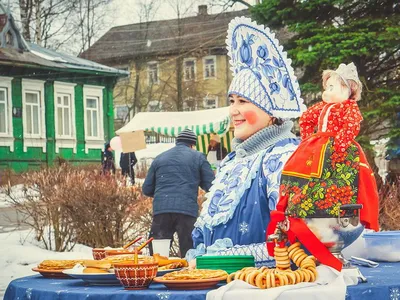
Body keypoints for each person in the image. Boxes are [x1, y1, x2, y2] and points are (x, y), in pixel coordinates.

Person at [186, 17, 306, 266]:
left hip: (263, 285)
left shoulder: (283, 156)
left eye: (243, 102)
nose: (233, 111)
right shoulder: (233, 159)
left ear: (271, 111)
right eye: (232, 101)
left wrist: (226, 259)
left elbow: (292, 238)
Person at [142, 128, 215, 258]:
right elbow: (211, 185)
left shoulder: (160, 158)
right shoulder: (198, 157)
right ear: (192, 145)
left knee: (158, 255)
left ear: (177, 142)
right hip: (187, 210)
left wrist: (164, 195)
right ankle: (187, 275)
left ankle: (158, 276)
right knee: (189, 253)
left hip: (161, 211)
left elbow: (147, 189)